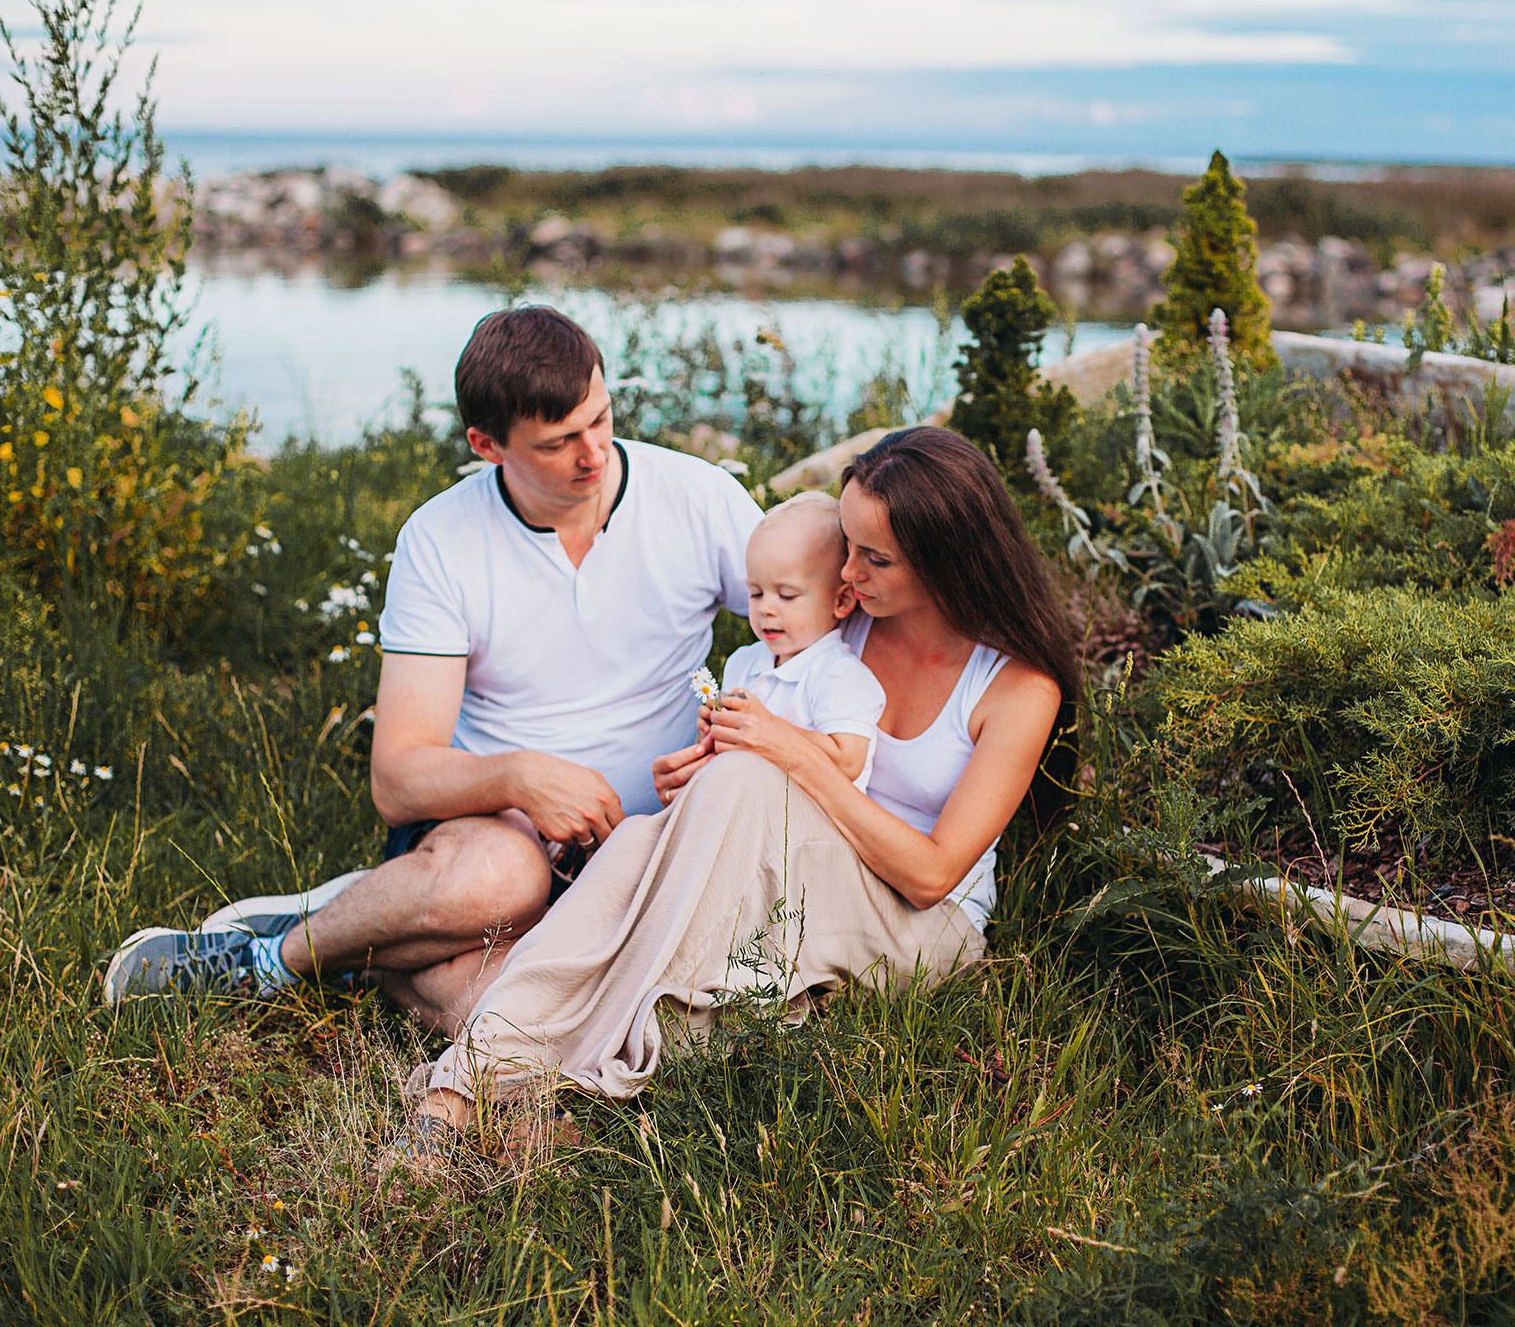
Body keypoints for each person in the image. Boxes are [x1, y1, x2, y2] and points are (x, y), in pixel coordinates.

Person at [389, 426, 1077, 1161]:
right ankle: (461, 1088)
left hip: (919, 922)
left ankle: (464, 1028)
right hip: (795, 874)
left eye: (874, 559)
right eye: (845, 545)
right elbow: (759, 763)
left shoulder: (1016, 687)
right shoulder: (843, 631)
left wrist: (783, 754)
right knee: (643, 839)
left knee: (686, 918)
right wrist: (696, 776)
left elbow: (934, 873)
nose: (846, 574)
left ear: (948, 563)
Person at [102, 306, 762, 1020]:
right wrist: (521, 776)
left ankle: (384, 932)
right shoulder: (441, 538)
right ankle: (268, 959)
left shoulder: (699, 498)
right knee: (503, 890)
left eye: (600, 419)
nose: (595, 454)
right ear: (487, 445)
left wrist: (740, 728)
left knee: (523, 1011)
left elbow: (811, 637)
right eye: (558, 442)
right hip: (498, 836)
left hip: (657, 843)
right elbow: (398, 778)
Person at [707, 489, 885, 791]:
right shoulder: (743, 663)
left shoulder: (840, 675)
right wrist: (715, 734)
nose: (766, 608)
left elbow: (848, 761)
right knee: (636, 833)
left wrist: (767, 727)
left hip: (808, 826)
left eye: (787, 595)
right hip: (743, 806)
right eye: (756, 593)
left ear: (841, 601)